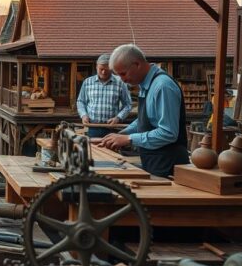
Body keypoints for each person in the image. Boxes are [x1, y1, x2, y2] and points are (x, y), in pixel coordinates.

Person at [101, 44, 190, 177]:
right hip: (155, 162)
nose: (123, 80)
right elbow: (146, 119)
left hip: (169, 166)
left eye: (123, 74)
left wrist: (129, 139)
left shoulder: (162, 86)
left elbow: (168, 133)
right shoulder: (146, 85)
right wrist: (121, 135)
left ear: (137, 64)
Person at [76, 53, 132, 138]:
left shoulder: (120, 83)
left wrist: (118, 118)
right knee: (93, 146)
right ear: (96, 67)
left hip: (112, 127)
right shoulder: (87, 82)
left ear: (111, 68)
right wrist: (83, 115)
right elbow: (81, 101)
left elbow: (127, 105)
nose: (103, 72)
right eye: (101, 69)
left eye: (107, 69)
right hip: (92, 127)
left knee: (110, 147)